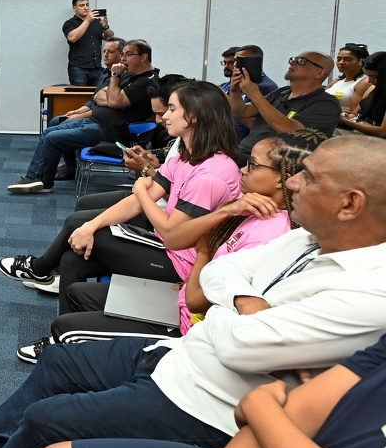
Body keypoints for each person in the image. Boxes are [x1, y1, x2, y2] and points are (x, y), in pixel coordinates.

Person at [0, 135, 386, 448]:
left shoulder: (369, 293)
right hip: (179, 355)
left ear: (350, 204)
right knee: (60, 365)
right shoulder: (306, 239)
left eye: (310, 177)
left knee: (49, 419)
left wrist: (229, 309)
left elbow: (237, 342)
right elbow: (222, 275)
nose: (292, 182)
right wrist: (245, 304)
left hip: (203, 404)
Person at [32, 333, 386, 448]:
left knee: (50, 417)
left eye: (311, 185)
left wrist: (262, 410)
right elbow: (301, 411)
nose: (292, 188)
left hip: (220, 408)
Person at [48, 130, 325, 347]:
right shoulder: (244, 203)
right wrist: (226, 211)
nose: (243, 169)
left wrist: (203, 252)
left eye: (252, 165)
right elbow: (177, 239)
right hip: (181, 290)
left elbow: (197, 300)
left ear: (281, 179)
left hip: (187, 327)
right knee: (76, 290)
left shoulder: (272, 232)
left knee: (65, 327)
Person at [1, 75, 192, 309]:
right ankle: (62, 327)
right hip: (154, 211)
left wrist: (144, 175)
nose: (160, 120)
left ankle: (41, 269)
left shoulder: (208, 168)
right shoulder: (182, 147)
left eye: (168, 111)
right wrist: (150, 167)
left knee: (75, 223)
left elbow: (169, 219)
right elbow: (163, 185)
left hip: (170, 247)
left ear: (192, 113)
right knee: (79, 228)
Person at [8, 39, 159, 193]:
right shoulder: (129, 75)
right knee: (49, 132)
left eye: (128, 54)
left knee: (53, 139)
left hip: (110, 131)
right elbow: (99, 96)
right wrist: (112, 99)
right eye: (123, 54)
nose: (123, 58)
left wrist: (114, 87)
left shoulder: (146, 81)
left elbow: (113, 99)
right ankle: (34, 177)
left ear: (143, 57)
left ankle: (44, 182)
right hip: (94, 121)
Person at [229, 50, 340, 165]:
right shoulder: (282, 92)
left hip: (274, 166)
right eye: (293, 59)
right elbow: (240, 111)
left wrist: (255, 94)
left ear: (319, 72)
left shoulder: (326, 103)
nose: (292, 63)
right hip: (245, 154)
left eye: (301, 61)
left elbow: (291, 130)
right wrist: (235, 90)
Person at [47, 37, 125, 129]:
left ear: (121, 55)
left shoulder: (121, 76)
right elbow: (94, 99)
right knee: (55, 121)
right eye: (104, 51)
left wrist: (80, 116)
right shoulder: (104, 73)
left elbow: (107, 106)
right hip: (92, 114)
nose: (105, 55)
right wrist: (78, 111)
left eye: (110, 52)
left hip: (101, 120)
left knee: (53, 132)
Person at [220, 45, 278, 140]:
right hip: (223, 139)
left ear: (254, 62)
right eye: (225, 63)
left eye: (235, 62)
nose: (233, 66)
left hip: (245, 142)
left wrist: (224, 98)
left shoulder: (265, 86)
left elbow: (261, 124)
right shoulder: (226, 85)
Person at [62, 0, 114, 87]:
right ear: (74, 8)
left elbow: (109, 38)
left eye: (87, 5)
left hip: (97, 68)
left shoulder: (96, 22)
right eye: (81, 5)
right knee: (78, 99)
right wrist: (87, 21)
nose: (85, 8)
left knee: (100, 97)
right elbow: (72, 38)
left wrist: (105, 27)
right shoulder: (70, 23)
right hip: (78, 69)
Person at [339, 50, 386, 138]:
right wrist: (345, 116)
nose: (369, 81)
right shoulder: (372, 88)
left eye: (374, 77)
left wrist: (344, 120)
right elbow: (355, 114)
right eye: (367, 76)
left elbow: (383, 131)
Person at [327, 41, 369, 110]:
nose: (341, 62)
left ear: (361, 62)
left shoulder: (364, 82)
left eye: (347, 59)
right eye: (339, 59)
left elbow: (355, 112)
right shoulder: (335, 81)